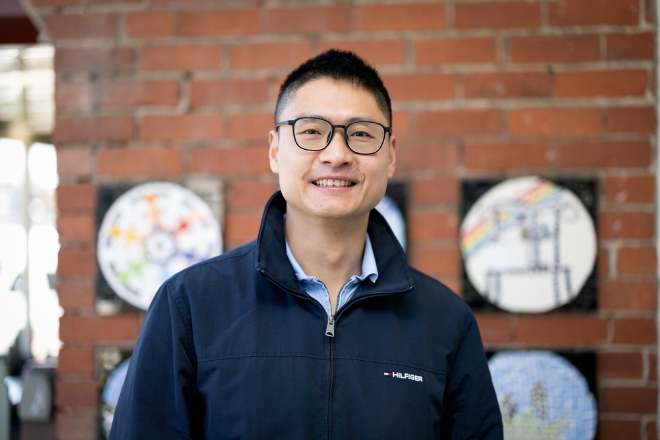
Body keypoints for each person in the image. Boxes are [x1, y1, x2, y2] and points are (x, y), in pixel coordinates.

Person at [109, 49, 503, 439]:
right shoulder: (189, 305)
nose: (336, 154)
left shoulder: (446, 321)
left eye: (361, 134)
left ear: (391, 155)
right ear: (276, 150)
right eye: (311, 131)